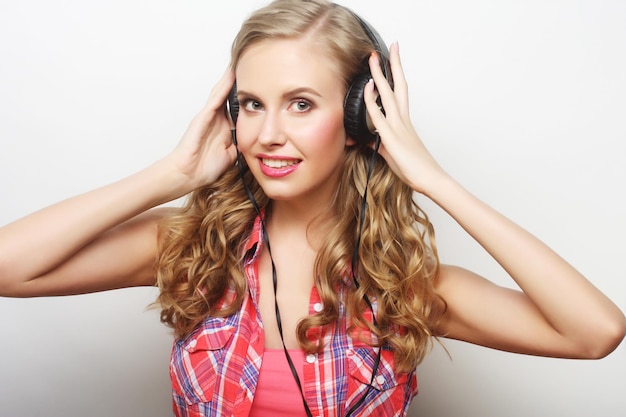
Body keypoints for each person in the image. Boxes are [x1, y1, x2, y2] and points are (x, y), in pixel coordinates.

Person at [0, 0, 624, 416]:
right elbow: (9, 267)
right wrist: (169, 175)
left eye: (300, 103)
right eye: (251, 104)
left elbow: (595, 332)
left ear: (358, 119)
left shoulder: (406, 289)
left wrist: (434, 179)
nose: (268, 133)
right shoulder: (192, 249)